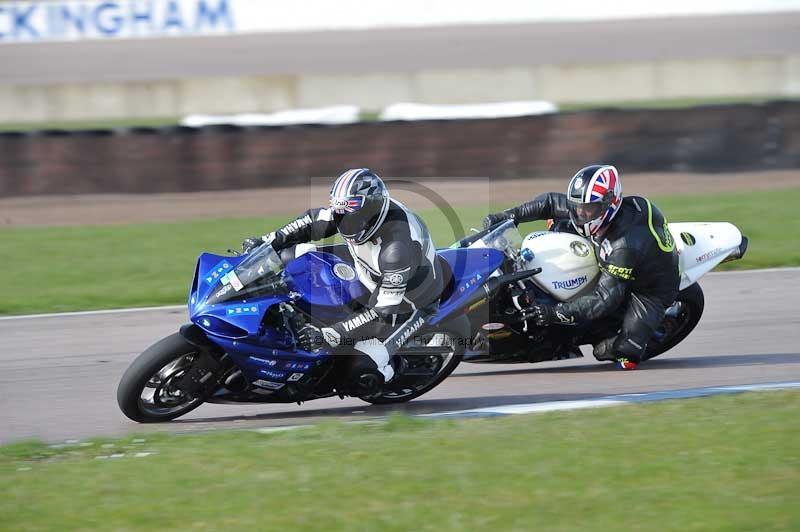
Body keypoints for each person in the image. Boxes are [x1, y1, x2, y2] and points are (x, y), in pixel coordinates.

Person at [242, 168, 443, 390]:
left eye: (351, 218)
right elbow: (313, 221)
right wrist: (267, 242)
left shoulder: (396, 250)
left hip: (406, 304)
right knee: (292, 258)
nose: (344, 223)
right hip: (368, 269)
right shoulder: (357, 212)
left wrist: (333, 333)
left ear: (372, 213)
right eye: (340, 215)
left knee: (359, 370)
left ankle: (392, 371)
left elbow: (383, 312)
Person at [483, 164, 679, 370]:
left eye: (588, 208)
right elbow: (549, 202)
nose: (580, 213)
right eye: (576, 205)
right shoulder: (592, 212)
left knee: (617, 353)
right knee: (556, 224)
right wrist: (508, 216)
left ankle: (620, 338)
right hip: (613, 252)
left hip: (649, 289)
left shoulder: (623, 246)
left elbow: (604, 300)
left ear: (610, 204)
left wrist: (554, 313)